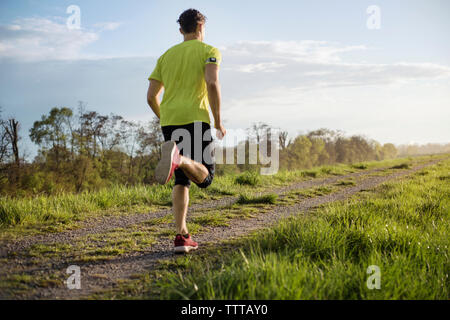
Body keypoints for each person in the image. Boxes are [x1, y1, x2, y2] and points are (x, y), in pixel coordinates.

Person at [147, 8, 226, 253]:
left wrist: (166, 118)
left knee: (181, 180)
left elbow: (151, 97)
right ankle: (178, 159)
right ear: (201, 27)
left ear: (181, 30)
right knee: (206, 178)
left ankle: (182, 236)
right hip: (195, 118)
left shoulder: (165, 56)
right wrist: (218, 121)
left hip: (169, 120)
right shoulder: (209, 51)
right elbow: (212, 83)